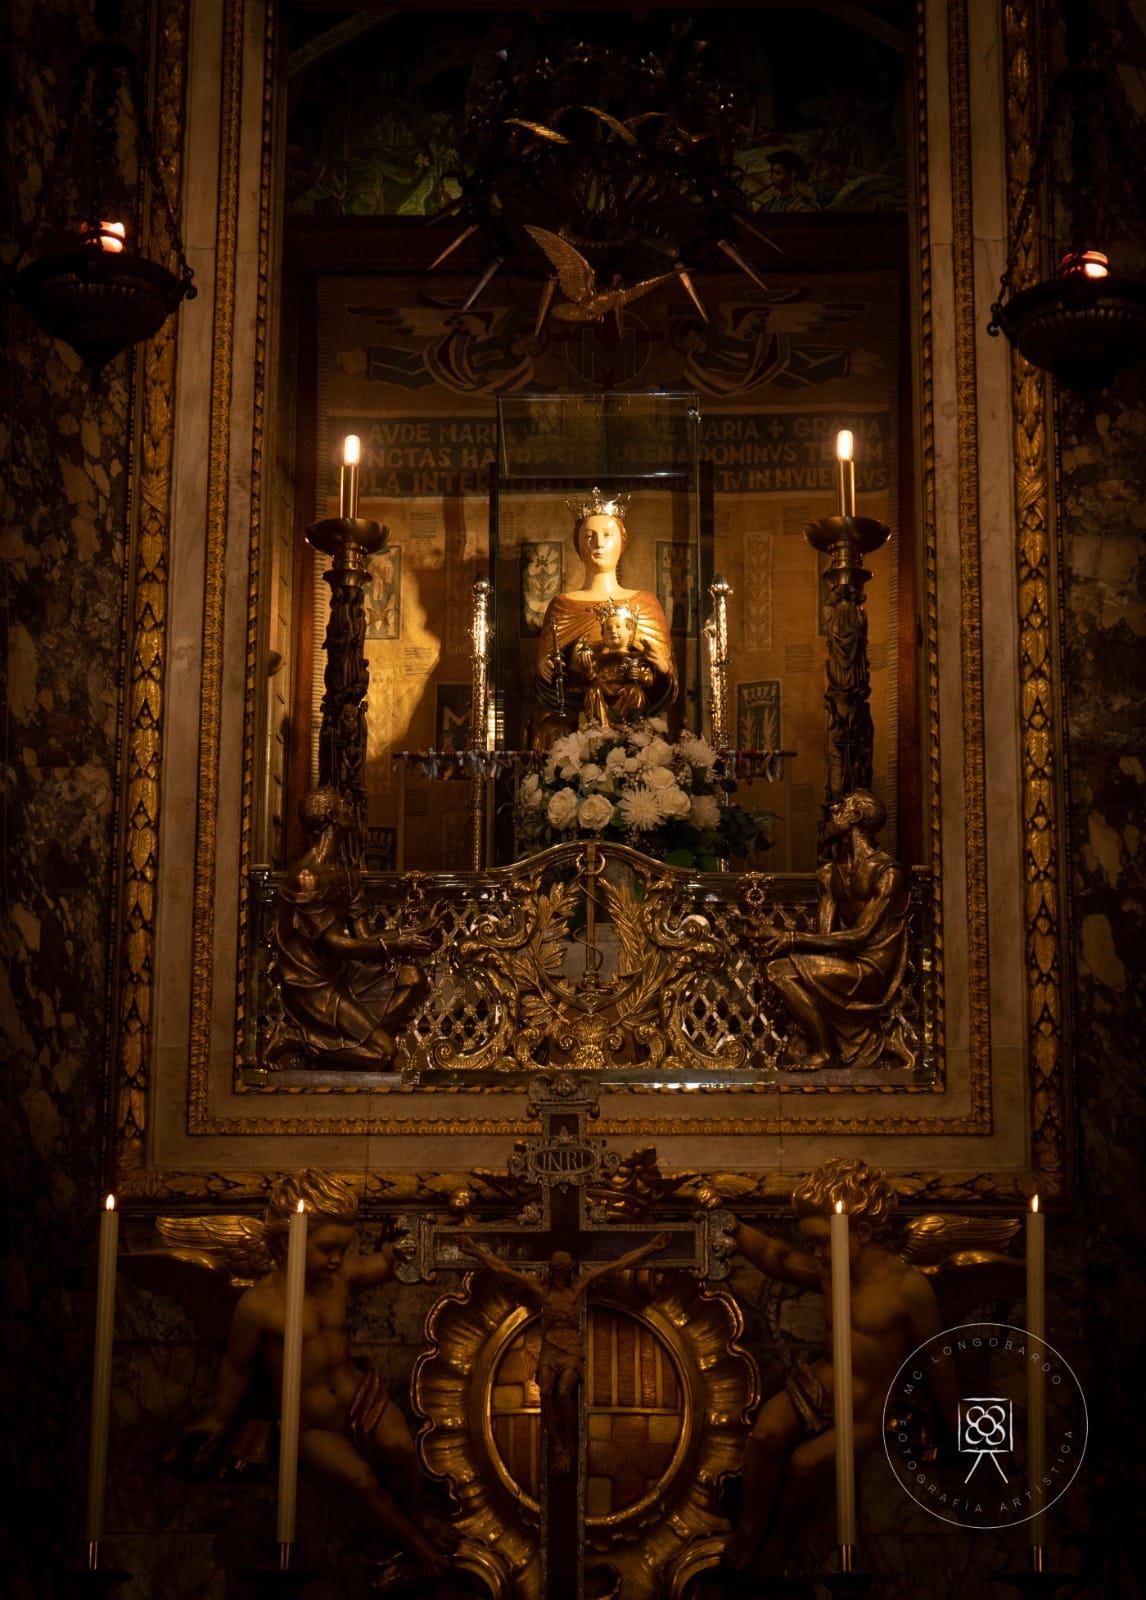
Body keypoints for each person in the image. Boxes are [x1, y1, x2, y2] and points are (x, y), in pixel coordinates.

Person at [185, 1168, 451, 1577]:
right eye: (327, 1248)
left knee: (400, 1447)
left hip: (361, 1398)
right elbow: (236, 1367)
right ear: (285, 1241)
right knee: (359, 1481)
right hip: (309, 1424)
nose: (337, 1259)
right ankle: (415, 1546)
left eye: (344, 1248)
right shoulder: (258, 1306)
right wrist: (218, 1417)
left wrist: (439, 1232)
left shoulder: (339, 1280)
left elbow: (388, 1261)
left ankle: (418, 1517)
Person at [702, 1158, 958, 1574]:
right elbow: (776, 1256)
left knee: (806, 1464)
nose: (817, 1254)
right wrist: (729, 1224)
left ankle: (779, 1544)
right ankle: (750, 1528)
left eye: (822, 1242)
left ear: (863, 1232)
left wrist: (953, 1415)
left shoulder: (909, 1288)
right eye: (813, 1245)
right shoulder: (830, 1269)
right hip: (815, 1387)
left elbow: (935, 1354)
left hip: (863, 1413)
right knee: (766, 1433)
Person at [456, 1232, 671, 1473]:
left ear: (570, 1270)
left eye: (565, 1270)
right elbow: (502, 1268)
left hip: (571, 1347)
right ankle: (557, 1444)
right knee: (545, 1391)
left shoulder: (579, 1286)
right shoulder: (541, 1288)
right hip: (550, 1346)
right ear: (552, 1269)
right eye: (558, 1270)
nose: (561, 1275)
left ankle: (568, 1444)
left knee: (563, 1390)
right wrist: (474, 1250)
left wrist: (651, 1247)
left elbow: (619, 1264)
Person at [748, 788, 913, 1071]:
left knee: (780, 971)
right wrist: (771, 934)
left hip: (870, 971)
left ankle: (825, 1051)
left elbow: (859, 936)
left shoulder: (887, 873)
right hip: (842, 964)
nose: (832, 811)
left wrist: (791, 938)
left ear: (856, 816)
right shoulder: (828, 874)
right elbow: (826, 938)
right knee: (777, 968)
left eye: (841, 806)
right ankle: (825, 1042)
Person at [267, 786, 433, 1065]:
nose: (350, 808)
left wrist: (412, 932)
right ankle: (296, 1039)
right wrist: (397, 945)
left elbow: (364, 935)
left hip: (342, 973)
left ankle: (352, 1044)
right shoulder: (307, 877)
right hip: (311, 984)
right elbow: (339, 945)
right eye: (344, 804)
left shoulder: (347, 874)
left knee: (413, 978)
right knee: (384, 1054)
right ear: (332, 816)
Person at [532, 489, 677, 748]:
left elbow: (664, 682)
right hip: (580, 707)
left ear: (622, 541)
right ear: (578, 545)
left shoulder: (645, 603)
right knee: (554, 732)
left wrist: (662, 668)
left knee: (649, 735)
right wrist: (547, 667)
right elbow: (549, 682)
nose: (599, 543)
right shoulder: (562, 606)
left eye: (608, 535)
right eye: (589, 536)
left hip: (632, 707)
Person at [575, 600, 657, 724]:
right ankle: (599, 726)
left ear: (630, 631)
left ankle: (631, 726)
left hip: (627, 692)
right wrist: (588, 671)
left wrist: (640, 675)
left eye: (618, 627)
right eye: (608, 628)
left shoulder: (637, 657)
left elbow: (649, 678)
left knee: (635, 691)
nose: (613, 631)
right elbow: (589, 682)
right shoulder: (598, 659)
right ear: (603, 635)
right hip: (602, 692)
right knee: (593, 690)